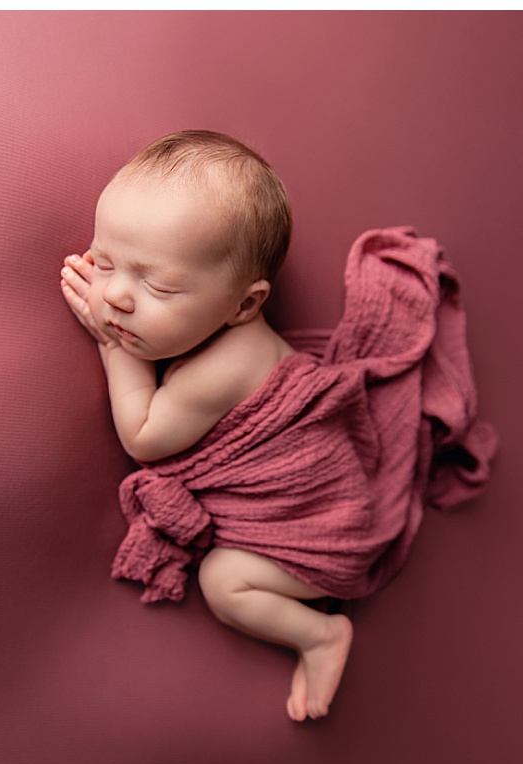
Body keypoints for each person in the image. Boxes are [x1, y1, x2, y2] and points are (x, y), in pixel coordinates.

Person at [59, 130, 351, 722]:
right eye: (105, 260)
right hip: (318, 493)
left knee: (224, 581)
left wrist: (112, 346)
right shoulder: (209, 334)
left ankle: (320, 635)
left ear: (244, 306)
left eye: (158, 286)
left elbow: (144, 436)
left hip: (314, 526)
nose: (113, 295)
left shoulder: (223, 367)